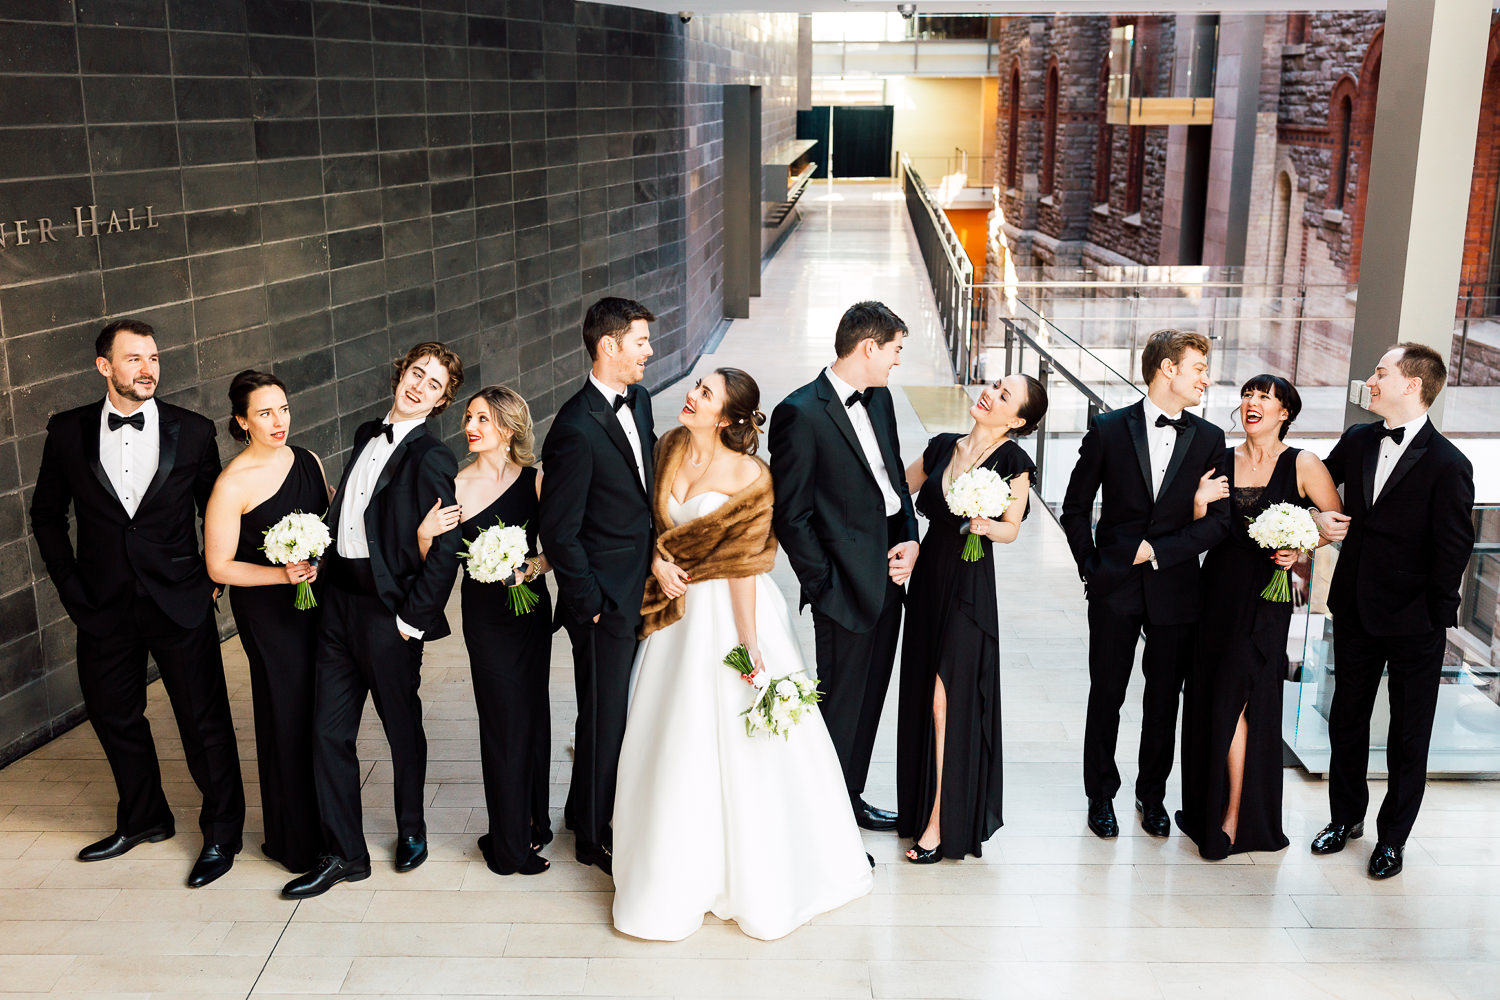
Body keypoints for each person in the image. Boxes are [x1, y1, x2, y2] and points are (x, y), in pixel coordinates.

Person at [612, 369, 873, 940]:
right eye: (697, 386)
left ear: (728, 417)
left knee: (733, 739)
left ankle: (755, 869)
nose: (692, 396)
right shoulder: (669, 446)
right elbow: (652, 523)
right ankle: (665, 858)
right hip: (672, 612)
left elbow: (746, 569)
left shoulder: (752, 476)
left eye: (705, 393)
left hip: (726, 613)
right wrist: (657, 561)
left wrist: (749, 645)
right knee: (669, 733)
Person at [29, 318, 245, 888]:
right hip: (101, 607)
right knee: (114, 717)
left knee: (204, 723)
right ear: (105, 367)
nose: (148, 368)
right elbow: (46, 516)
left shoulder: (194, 431)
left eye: (153, 357)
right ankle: (145, 817)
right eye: (133, 359)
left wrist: (211, 579)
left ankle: (223, 831)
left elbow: (218, 510)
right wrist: (72, 589)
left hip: (178, 602)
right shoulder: (67, 431)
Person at [282, 342, 465, 899]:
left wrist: (412, 621)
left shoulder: (432, 457)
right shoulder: (366, 433)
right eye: (416, 373)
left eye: (434, 384)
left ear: (441, 400)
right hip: (337, 603)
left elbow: (445, 548)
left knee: (399, 725)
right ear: (399, 373)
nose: (420, 387)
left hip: (389, 613)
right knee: (327, 731)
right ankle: (345, 854)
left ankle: (412, 826)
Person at [1308, 343, 1475, 879]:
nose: (1371, 381)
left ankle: (1393, 839)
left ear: (1412, 384)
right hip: (1354, 608)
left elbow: (1454, 549)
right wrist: (1315, 517)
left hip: (1416, 623)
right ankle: (1344, 819)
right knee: (1347, 722)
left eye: (1381, 373)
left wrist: (1432, 619)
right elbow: (1315, 484)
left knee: (1408, 734)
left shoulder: (1451, 464)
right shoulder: (1359, 439)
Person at [1060, 328, 1230, 840]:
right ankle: (1100, 796)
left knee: (1164, 698)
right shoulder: (1109, 429)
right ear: (1167, 369)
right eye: (1198, 367)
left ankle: (1151, 795)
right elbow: (1073, 508)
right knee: (1106, 693)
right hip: (1114, 586)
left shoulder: (1209, 439)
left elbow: (1218, 523)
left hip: (1177, 589)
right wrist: (1093, 568)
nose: (1207, 377)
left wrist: (1158, 550)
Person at [1174, 374, 1341, 860]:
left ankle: (1231, 819)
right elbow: (1195, 528)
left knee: (1242, 696)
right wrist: (1199, 504)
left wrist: (1302, 544)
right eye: (1248, 394)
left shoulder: (1303, 463)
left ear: (1284, 412)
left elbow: (1337, 522)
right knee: (1212, 695)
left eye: (1265, 397)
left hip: (1266, 598)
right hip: (1216, 592)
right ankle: (1211, 808)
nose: (1252, 402)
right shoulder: (1220, 459)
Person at [768, 301, 920, 833]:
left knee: (871, 698)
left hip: (892, 575)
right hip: (842, 588)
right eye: (896, 350)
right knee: (840, 706)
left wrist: (911, 540)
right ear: (868, 347)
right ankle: (822, 818)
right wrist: (825, 584)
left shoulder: (880, 399)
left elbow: (895, 483)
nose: (898, 361)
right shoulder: (799, 413)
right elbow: (792, 515)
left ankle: (848, 796)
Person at [897, 373, 1047, 863]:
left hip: (970, 584)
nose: (990, 393)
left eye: (1004, 396)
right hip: (928, 579)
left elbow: (1012, 530)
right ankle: (920, 807)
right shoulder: (942, 445)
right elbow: (899, 488)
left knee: (946, 698)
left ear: (1017, 421)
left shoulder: (1015, 462)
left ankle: (941, 823)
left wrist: (983, 523)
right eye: (994, 385)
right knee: (923, 691)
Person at [539, 297, 658, 876]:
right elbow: (558, 531)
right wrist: (588, 603)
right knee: (602, 716)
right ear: (608, 345)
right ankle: (592, 836)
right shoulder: (573, 427)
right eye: (640, 342)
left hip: (642, 587)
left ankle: (582, 808)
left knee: (621, 713)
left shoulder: (639, 400)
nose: (649, 352)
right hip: (602, 602)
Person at [204, 370, 331, 874]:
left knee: (322, 714)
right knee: (287, 715)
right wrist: (282, 576)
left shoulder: (308, 459)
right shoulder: (231, 483)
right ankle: (295, 840)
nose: (279, 421)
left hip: (320, 603)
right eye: (264, 413)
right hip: (270, 614)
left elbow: (328, 523)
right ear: (241, 421)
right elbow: (219, 566)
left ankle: (331, 824)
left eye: (283, 408)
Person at [424, 386, 554, 876]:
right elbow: (436, 559)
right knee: (502, 724)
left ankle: (533, 822)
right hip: (485, 620)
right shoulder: (454, 486)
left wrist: (529, 572)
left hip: (530, 613)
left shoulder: (536, 481)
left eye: (481, 419)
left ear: (508, 427)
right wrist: (424, 533)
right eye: (469, 418)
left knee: (534, 716)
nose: (470, 427)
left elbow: (555, 550)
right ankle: (508, 847)